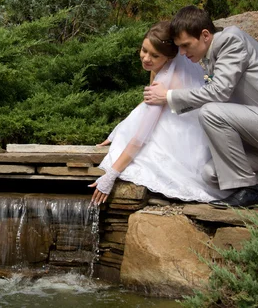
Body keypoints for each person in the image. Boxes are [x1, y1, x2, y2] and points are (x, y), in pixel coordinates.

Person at [143, 6, 258, 208]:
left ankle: (247, 191)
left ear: (205, 35)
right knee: (211, 174)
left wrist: (168, 96)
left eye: (185, 45)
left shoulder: (231, 40)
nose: (182, 53)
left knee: (211, 112)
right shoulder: (209, 56)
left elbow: (219, 93)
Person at [89, 21, 233, 206]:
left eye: (154, 55)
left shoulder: (164, 82)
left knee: (142, 158)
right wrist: (121, 128)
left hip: (183, 136)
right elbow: (145, 105)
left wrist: (111, 175)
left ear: (169, 57)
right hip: (177, 118)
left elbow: (140, 138)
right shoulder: (161, 68)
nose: (146, 58)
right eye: (144, 50)